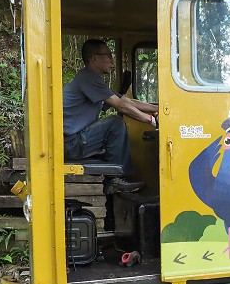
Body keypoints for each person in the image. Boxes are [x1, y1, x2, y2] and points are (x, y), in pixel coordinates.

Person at [62, 39, 158, 195]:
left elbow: (125, 100)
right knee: (115, 124)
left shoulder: (91, 79)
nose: (112, 60)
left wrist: (157, 109)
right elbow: (120, 106)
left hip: (75, 140)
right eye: (108, 55)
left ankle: (115, 177)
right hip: (72, 143)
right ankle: (117, 179)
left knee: (114, 124)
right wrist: (152, 121)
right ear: (94, 58)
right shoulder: (88, 77)